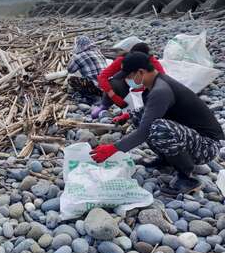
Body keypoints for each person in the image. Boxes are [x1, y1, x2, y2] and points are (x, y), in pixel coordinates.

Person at [90, 52, 224, 196]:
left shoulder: (161, 90)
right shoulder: (154, 84)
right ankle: (166, 159)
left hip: (207, 146)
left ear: (140, 72)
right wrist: (128, 116)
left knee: (158, 128)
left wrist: (113, 149)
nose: (127, 80)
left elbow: (144, 131)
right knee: (139, 116)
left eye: (128, 76)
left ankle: (187, 177)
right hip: (193, 137)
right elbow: (149, 112)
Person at [91, 42, 165, 118]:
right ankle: (105, 104)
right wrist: (112, 95)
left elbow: (160, 80)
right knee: (113, 83)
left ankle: (134, 111)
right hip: (128, 90)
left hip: (145, 90)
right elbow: (102, 77)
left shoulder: (151, 62)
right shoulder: (125, 60)